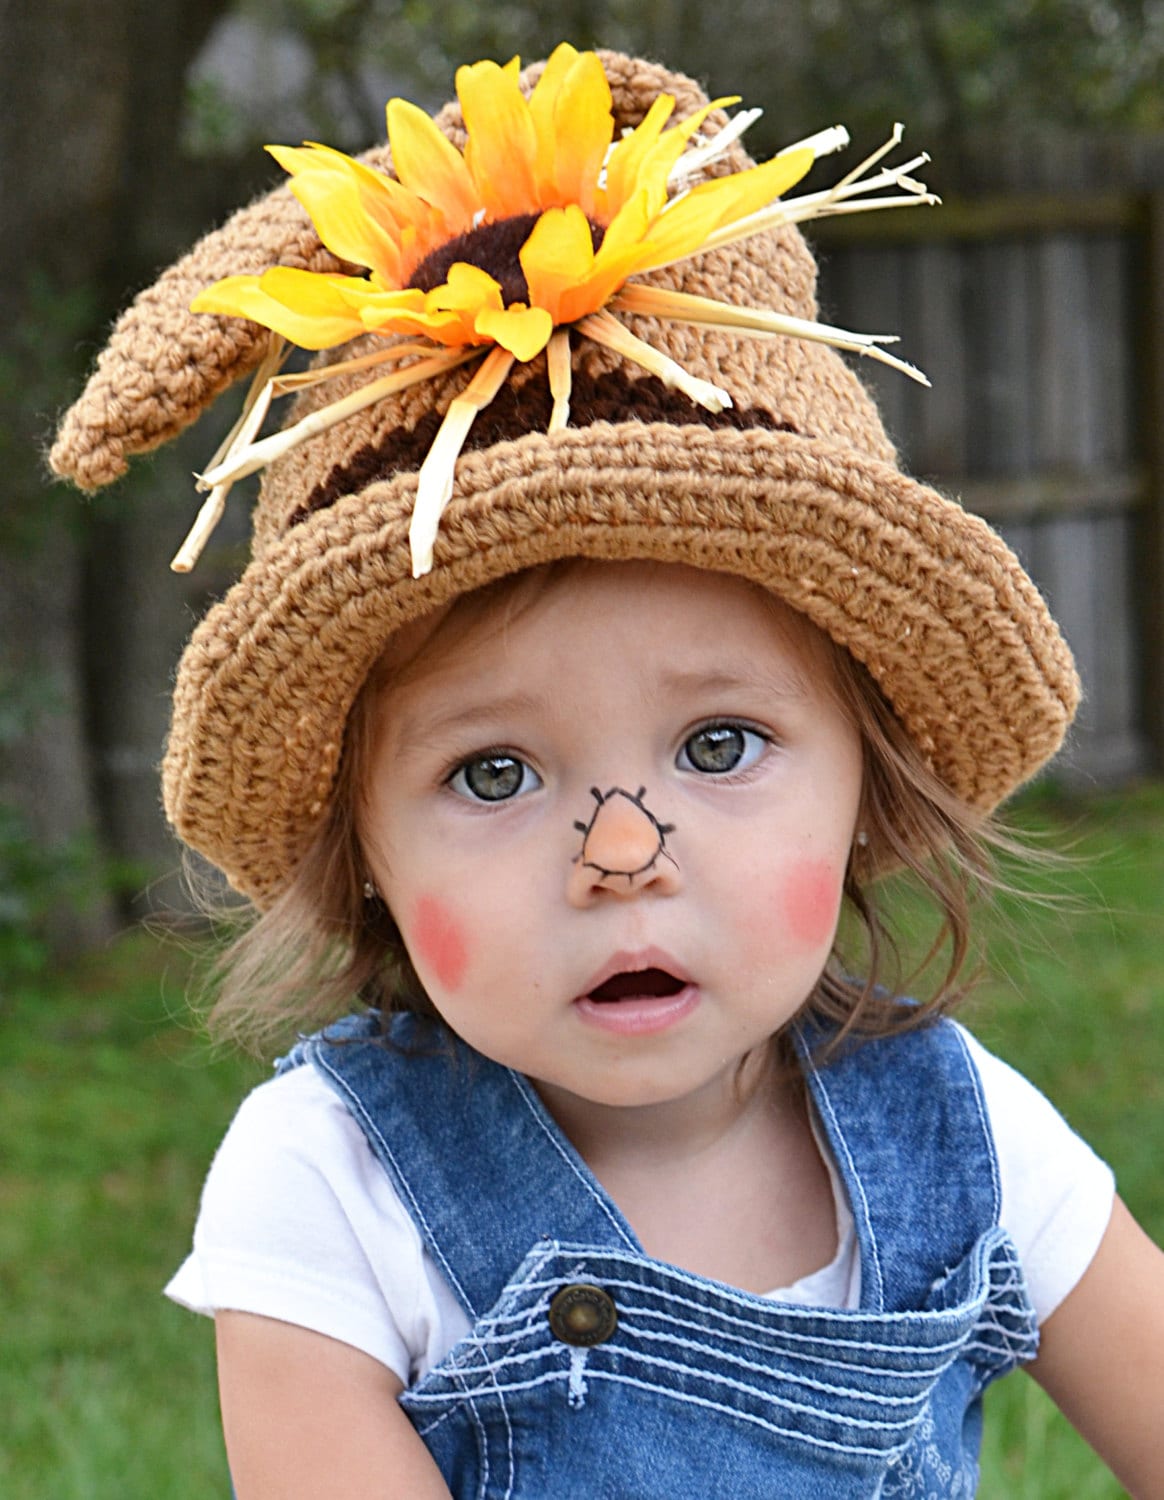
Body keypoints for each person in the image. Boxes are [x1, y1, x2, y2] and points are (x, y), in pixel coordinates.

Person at [51, 43, 1164, 1500]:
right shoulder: (334, 1185)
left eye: (719, 747)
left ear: (868, 791)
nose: (622, 851)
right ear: (362, 852)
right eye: (495, 772)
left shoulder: (967, 1138)